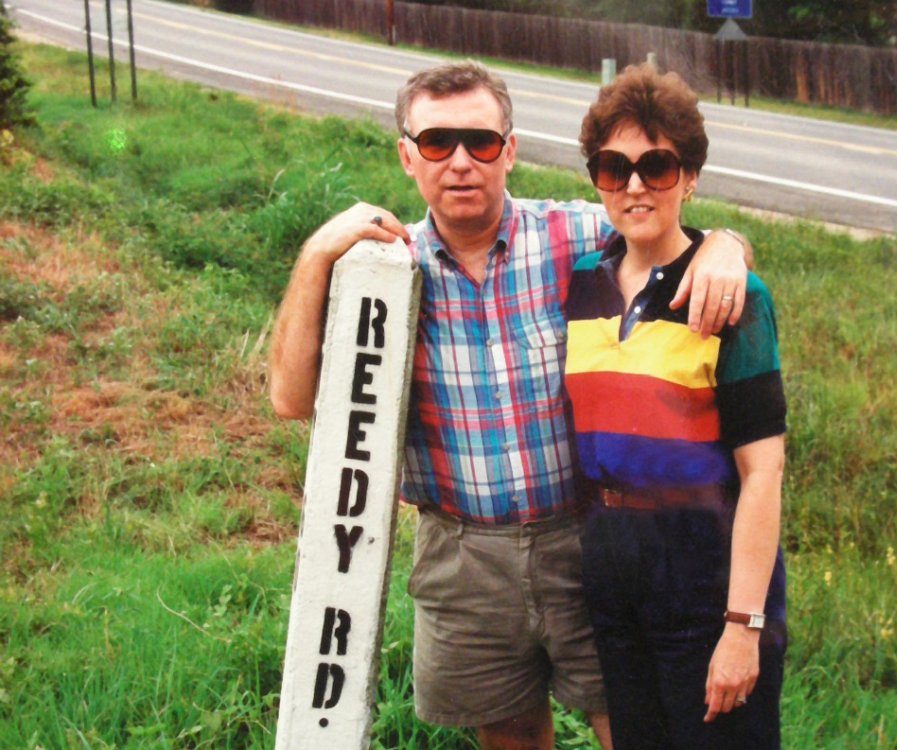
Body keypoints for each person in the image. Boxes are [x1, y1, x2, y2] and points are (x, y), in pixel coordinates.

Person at [269, 60, 751, 750]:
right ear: (407, 156)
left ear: (511, 150)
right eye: (437, 142)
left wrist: (726, 245)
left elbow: (671, 231)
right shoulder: (384, 269)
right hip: (462, 555)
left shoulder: (578, 236)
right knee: (511, 734)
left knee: (632, 727)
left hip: (587, 537)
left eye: (482, 142)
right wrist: (317, 250)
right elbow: (290, 398)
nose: (461, 162)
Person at [564, 63, 787, 749]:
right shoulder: (583, 283)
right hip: (612, 566)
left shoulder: (733, 296)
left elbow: (763, 473)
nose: (634, 185)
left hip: (705, 572)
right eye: (614, 168)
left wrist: (743, 627)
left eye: (655, 166)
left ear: (689, 177)